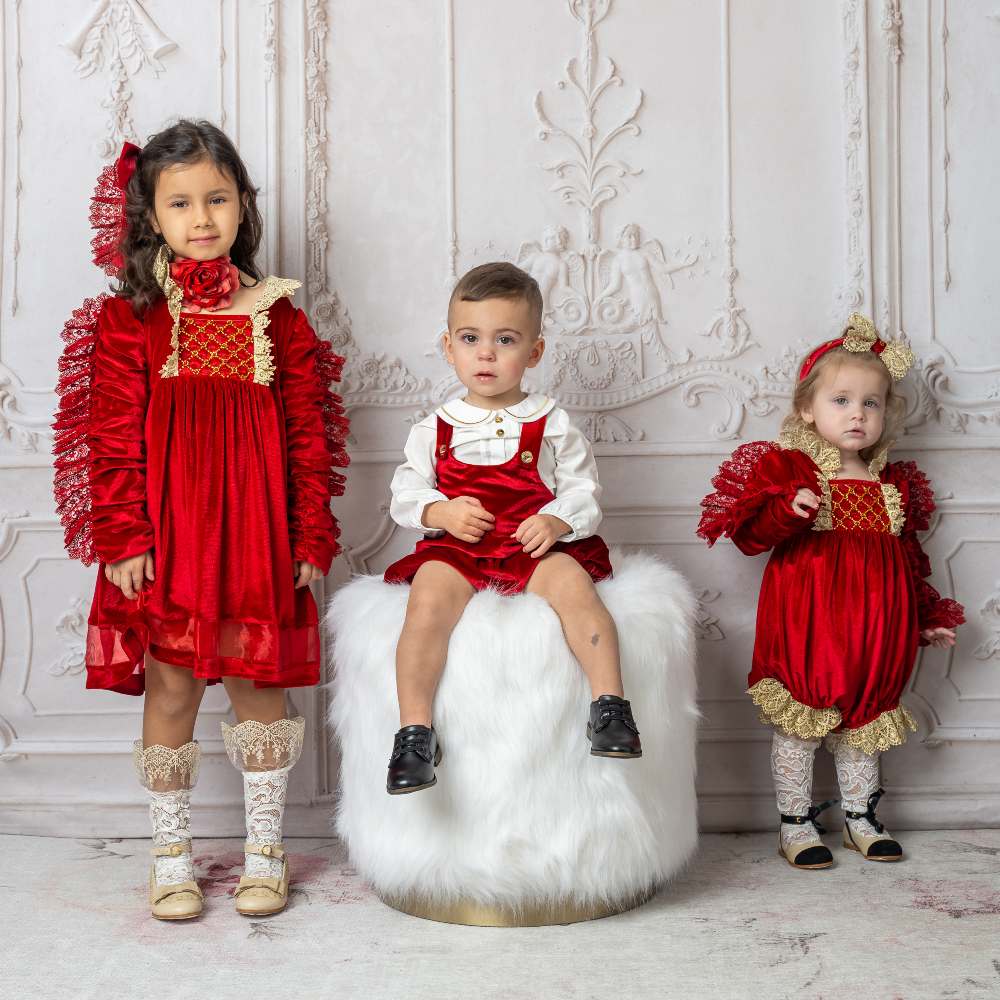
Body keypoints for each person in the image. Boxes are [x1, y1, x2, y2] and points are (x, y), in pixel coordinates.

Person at [53, 120, 349, 919]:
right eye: (181, 202)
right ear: (152, 215)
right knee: (173, 687)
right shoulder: (131, 320)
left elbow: (307, 433)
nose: (203, 217)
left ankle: (265, 855)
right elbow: (110, 433)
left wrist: (311, 531)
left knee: (259, 689)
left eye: (218, 198)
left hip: (257, 539)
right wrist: (121, 535)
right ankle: (171, 858)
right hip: (170, 540)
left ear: (243, 205)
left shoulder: (276, 315)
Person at [697, 314, 963, 869]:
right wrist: (784, 511)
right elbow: (748, 538)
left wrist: (924, 617)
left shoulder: (891, 483)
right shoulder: (790, 473)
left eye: (871, 403)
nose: (857, 414)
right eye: (841, 400)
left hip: (877, 630)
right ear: (806, 409)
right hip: (808, 624)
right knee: (803, 721)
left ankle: (860, 818)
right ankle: (795, 823)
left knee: (865, 720)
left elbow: (911, 562)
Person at [381, 262, 641, 794]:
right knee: (426, 604)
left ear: (535, 352)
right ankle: (414, 733)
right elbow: (405, 494)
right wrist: (440, 511)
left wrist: (556, 519)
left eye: (505, 339)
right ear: (448, 346)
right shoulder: (434, 426)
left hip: (531, 546)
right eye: (471, 338)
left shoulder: (551, 421)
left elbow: (583, 489)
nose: (486, 354)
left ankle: (610, 706)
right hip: (460, 551)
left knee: (577, 589)